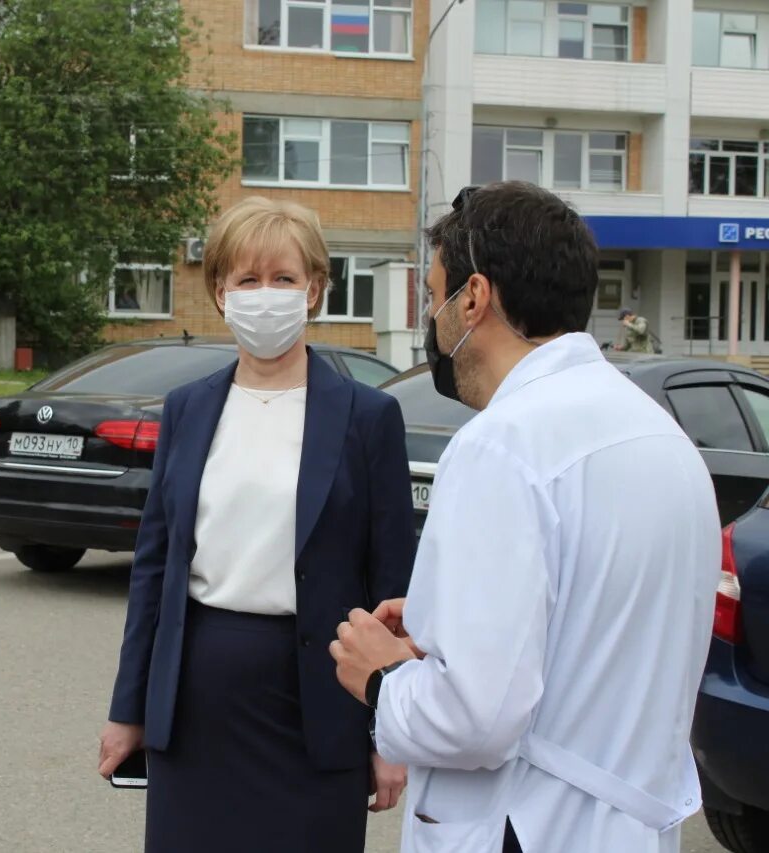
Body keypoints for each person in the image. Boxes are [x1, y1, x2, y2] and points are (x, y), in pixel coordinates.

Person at [330, 182, 720, 853]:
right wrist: (439, 628)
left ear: (474, 298)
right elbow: (595, 634)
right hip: (624, 828)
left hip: (526, 825)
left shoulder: (504, 444)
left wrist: (382, 674)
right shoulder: (661, 437)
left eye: (434, 296)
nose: (434, 318)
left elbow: (476, 718)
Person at [98, 196, 416, 852]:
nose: (264, 295)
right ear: (220, 293)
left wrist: (393, 730)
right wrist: (128, 709)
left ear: (315, 290)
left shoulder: (367, 417)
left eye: (283, 278)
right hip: (199, 703)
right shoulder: (187, 410)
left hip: (324, 701)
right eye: (247, 279)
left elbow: (395, 587)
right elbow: (154, 573)